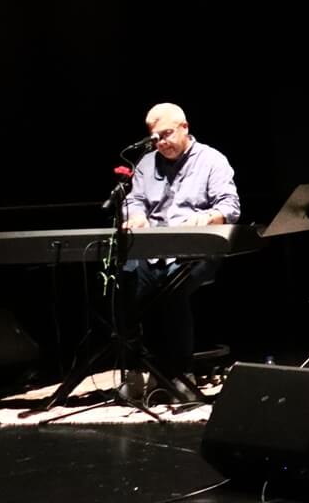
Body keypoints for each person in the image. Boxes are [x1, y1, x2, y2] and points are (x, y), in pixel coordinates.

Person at [122, 102, 240, 400]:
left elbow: (230, 206)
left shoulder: (212, 160)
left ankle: (180, 373)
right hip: (153, 249)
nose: (162, 143)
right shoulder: (146, 163)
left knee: (172, 288)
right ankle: (140, 369)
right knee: (127, 283)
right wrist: (136, 215)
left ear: (184, 127)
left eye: (167, 134)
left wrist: (208, 218)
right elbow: (134, 200)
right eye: (156, 138)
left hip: (197, 250)